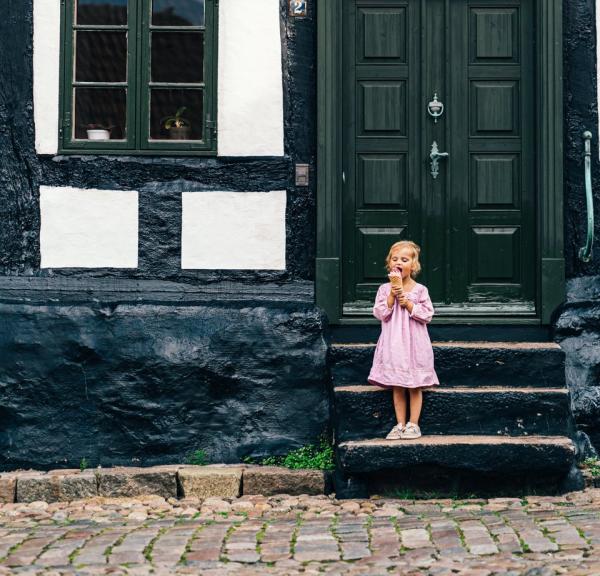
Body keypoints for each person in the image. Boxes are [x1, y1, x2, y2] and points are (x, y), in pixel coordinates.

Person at [367, 240, 439, 440]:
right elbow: (381, 313)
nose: (398, 262)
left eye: (404, 259)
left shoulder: (420, 290)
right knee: (397, 385)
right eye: (394, 259)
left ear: (413, 266)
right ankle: (399, 423)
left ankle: (413, 424)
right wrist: (392, 294)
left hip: (414, 344)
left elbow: (427, 314)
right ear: (389, 264)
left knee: (415, 385)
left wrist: (407, 302)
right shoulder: (384, 289)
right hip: (394, 345)